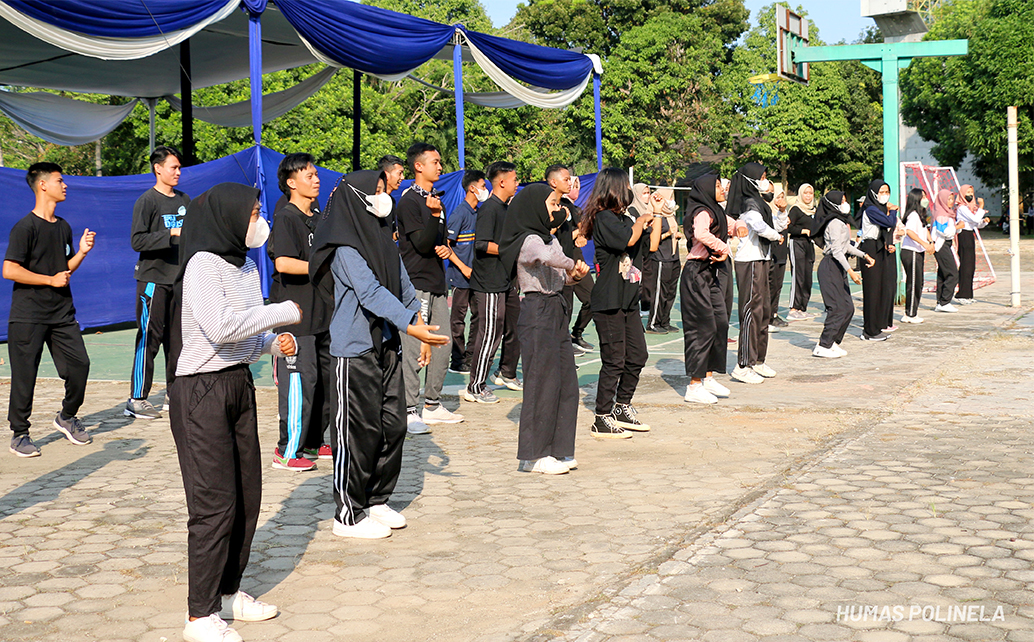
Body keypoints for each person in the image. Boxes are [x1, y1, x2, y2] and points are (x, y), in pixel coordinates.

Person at [171, 183, 299, 642]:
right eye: (253, 212)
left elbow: (243, 337)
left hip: (237, 383)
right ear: (229, 216)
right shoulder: (202, 265)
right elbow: (220, 327)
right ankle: (199, 615)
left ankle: (228, 592)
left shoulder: (245, 265)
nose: (259, 220)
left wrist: (272, 342)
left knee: (247, 496)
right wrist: (279, 313)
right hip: (200, 390)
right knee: (213, 504)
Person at [309, 170, 449, 540]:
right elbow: (369, 292)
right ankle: (348, 514)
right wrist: (410, 324)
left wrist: (417, 326)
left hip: (385, 345)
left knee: (393, 425)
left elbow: (404, 285)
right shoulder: (343, 247)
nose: (382, 196)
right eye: (375, 191)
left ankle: (376, 498)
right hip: (353, 350)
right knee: (357, 432)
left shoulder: (383, 240)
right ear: (355, 198)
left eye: (383, 190)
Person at [5, 162, 95, 457]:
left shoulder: (64, 227)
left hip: (62, 315)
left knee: (80, 365)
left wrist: (81, 252)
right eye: (60, 180)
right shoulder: (25, 227)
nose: (65, 185)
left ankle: (66, 417)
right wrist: (49, 280)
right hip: (27, 316)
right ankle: (20, 434)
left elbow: (64, 271)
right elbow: (9, 269)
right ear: (42, 185)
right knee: (24, 377)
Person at [498, 183, 589, 473]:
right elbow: (549, 259)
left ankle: (560, 449)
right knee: (541, 383)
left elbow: (564, 277)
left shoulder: (550, 240)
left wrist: (574, 275)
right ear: (535, 207)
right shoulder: (528, 240)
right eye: (552, 203)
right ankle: (533, 456)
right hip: (537, 311)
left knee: (565, 382)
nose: (555, 209)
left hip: (556, 308)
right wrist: (573, 263)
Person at [267, 153, 333, 472]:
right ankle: (286, 449)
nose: (316, 179)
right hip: (295, 318)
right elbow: (282, 262)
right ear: (291, 183)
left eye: (316, 173)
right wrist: (322, 267)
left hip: (322, 314)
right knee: (299, 382)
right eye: (308, 175)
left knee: (323, 381)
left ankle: (314, 441)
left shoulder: (319, 216)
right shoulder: (286, 217)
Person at [579, 168, 654, 438]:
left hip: (628, 299)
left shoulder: (624, 218)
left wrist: (650, 217)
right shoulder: (604, 218)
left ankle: (622, 406)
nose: (630, 190)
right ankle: (601, 416)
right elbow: (627, 240)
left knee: (637, 355)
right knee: (614, 360)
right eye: (627, 185)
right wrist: (641, 219)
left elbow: (649, 246)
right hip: (608, 300)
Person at [395, 142, 463, 432]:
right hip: (416, 282)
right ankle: (409, 409)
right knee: (413, 348)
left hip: (437, 281)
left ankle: (432, 404)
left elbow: (438, 242)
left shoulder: (437, 199)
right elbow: (421, 244)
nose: (440, 167)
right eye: (434, 162)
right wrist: (433, 216)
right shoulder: (409, 201)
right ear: (418, 166)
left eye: (440, 162)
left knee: (443, 343)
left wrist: (447, 249)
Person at [126, 145, 190, 419]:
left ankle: (173, 395)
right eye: (173, 167)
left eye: (179, 168)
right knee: (149, 338)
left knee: (178, 341)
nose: (177, 172)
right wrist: (170, 233)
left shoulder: (185, 199)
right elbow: (137, 240)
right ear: (158, 168)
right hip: (153, 281)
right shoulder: (147, 201)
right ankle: (137, 399)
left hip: (179, 282)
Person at [680, 174, 742, 404]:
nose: (722, 188)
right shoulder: (702, 211)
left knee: (720, 322)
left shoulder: (715, 211)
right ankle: (694, 385)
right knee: (703, 326)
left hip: (711, 273)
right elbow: (701, 234)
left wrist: (741, 225)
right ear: (706, 188)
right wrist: (722, 246)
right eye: (717, 185)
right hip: (696, 272)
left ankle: (707, 376)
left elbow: (732, 224)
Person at [466, 161, 522, 404]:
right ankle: (475, 386)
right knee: (489, 334)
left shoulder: (507, 208)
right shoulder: (489, 208)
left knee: (511, 329)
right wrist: (510, 250)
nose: (517, 183)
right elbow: (481, 244)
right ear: (502, 182)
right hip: (489, 282)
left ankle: (503, 372)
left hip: (506, 281)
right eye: (514, 179)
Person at [726, 162, 781, 384]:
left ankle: (758, 360)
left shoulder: (760, 202)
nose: (765, 180)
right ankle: (743, 365)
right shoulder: (748, 203)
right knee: (751, 311)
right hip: (749, 262)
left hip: (762, 259)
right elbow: (759, 226)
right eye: (762, 176)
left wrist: (782, 213)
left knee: (764, 311)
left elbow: (775, 223)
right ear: (750, 180)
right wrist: (776, 236)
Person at [811, 191, 875, 358]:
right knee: (837, 308)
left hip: (838, 266)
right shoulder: (834, 223)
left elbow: (846, 246)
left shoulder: (841, 222)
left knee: (848, 308)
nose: (845, 204)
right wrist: (851, 271)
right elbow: (837, 251)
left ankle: (833, 342)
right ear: (833, 204)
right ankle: (823, 345)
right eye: (842, 201)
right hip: (831, 266)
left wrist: (864, 255)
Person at [446, 169, 486, 374]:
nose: (485, 190)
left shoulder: (479, 212)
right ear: (472, 188)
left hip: (477, 276)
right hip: (460, 276)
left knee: (479, 315)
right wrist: (463, 267)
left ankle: (471, 357)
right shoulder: (459, 213)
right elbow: (446, 246)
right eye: (483, 186)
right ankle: (457, 359)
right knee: (457, 319)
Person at [858, 180, 899, 341]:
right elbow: (889, 222)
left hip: (879, 248)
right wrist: (893, 211)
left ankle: (878, 326)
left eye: (886, 191)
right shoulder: (871, 209)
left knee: (881, 289)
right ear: (874, 193)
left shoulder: (880, 209)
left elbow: (886, 230)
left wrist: (888, 244)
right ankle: (869, 331)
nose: (885, 195)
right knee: (872, 291)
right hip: (869, 248)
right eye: (881, 192)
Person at [559, 175, 596, 354]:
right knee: (565, 303)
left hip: (578, 258)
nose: (576, 189)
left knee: (592, 298)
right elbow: (563, 237)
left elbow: (583, 233)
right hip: (564, 260)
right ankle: (563, 342)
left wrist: (582, 233)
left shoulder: (576, 208)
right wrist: (579, 232)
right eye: (573, 185)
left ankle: (576, 333)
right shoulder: (560, 207)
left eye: (577, 186)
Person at [643, 187, 682, 334]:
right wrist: (667, 234)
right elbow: (651, 240)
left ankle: (664, 321)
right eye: (669, 197)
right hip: (660, 258)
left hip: (673, 257)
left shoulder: (670, 214)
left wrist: (675, 235)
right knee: (660, 292)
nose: (671, 201)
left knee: (670, 292)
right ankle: (653, 323)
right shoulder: (653, 215)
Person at [899, 188, 935, 324]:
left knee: (918, 282)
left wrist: (930, 242)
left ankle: (913, 311)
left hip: (918, 251)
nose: (925, 199)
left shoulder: (920, 214)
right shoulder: (913, 215)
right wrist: (924, 244)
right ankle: (910, 314)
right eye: (923, 196)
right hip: (911, 251)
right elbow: (909, 231)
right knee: (913, 282)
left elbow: (925, 230)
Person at [954, 184, 990, 304]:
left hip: (969, 235)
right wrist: (982, 207)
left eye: (971, 193)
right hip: (963, 235)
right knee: (965, 265)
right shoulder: (962, 208)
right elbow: (974, 219)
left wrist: (983, 222)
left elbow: (976, 223)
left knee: (970, 266)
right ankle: (962, 295)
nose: (970, 195)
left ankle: (968, 294)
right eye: (967, 193)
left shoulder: (970, 208)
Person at [786, 183, 817, 321]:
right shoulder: (796, 209)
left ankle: (802, 308)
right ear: (800, 194)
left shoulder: (813, 210)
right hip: (797, 243)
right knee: (798, 276)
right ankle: (793, 308)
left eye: (810, 193)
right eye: (806, 193)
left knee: (807, 278)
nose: (808, 196)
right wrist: (802, 231)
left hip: (809, 245)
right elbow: (788, 227)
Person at [931, 188, 963, 313]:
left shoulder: (948, 213)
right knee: (952, 273)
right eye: (948, 199)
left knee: (943, 274)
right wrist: (958, 226)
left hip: (946, 244)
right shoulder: (941, 214)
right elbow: (944, 231)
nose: (951, 201)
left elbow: (952, 231)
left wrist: (957, 227)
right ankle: (945, 302)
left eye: (952, 199)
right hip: (941, 245)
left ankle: (940, 301)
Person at [628, 183, 653, 317]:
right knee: (638, 280)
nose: (647, 196)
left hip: (649, 251)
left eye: (648, 192)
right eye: (644, 193)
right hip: (639, 252)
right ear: (637, 195)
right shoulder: (633, 210)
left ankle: (646, 305)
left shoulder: (650, 209)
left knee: (647, 280)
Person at [767, 190, 791, 330]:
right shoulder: (768, 215)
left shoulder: (783, 214)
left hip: (781, 254)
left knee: (778, 286)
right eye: (777, 197)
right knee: (771, 286)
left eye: (782, 197)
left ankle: (774, 314)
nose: (780, 200)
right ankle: (768, 316)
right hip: (772, 253)